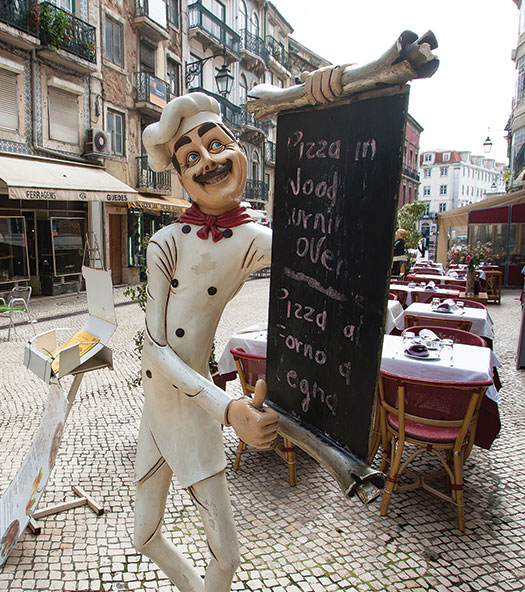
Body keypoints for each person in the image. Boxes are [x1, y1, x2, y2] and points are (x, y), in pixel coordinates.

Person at [134, 66, 345, 592]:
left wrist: (325, 110)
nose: (209, 161)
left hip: (197, 410)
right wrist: (229, 408)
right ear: (180, 177)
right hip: (167, 404)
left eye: (216, 144)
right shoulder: (164, 242)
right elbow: (154, 350)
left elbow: (328, 251)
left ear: (240, 149)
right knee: (143, 537)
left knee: (225, 557)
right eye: (191, 157)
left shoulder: (253, 237)